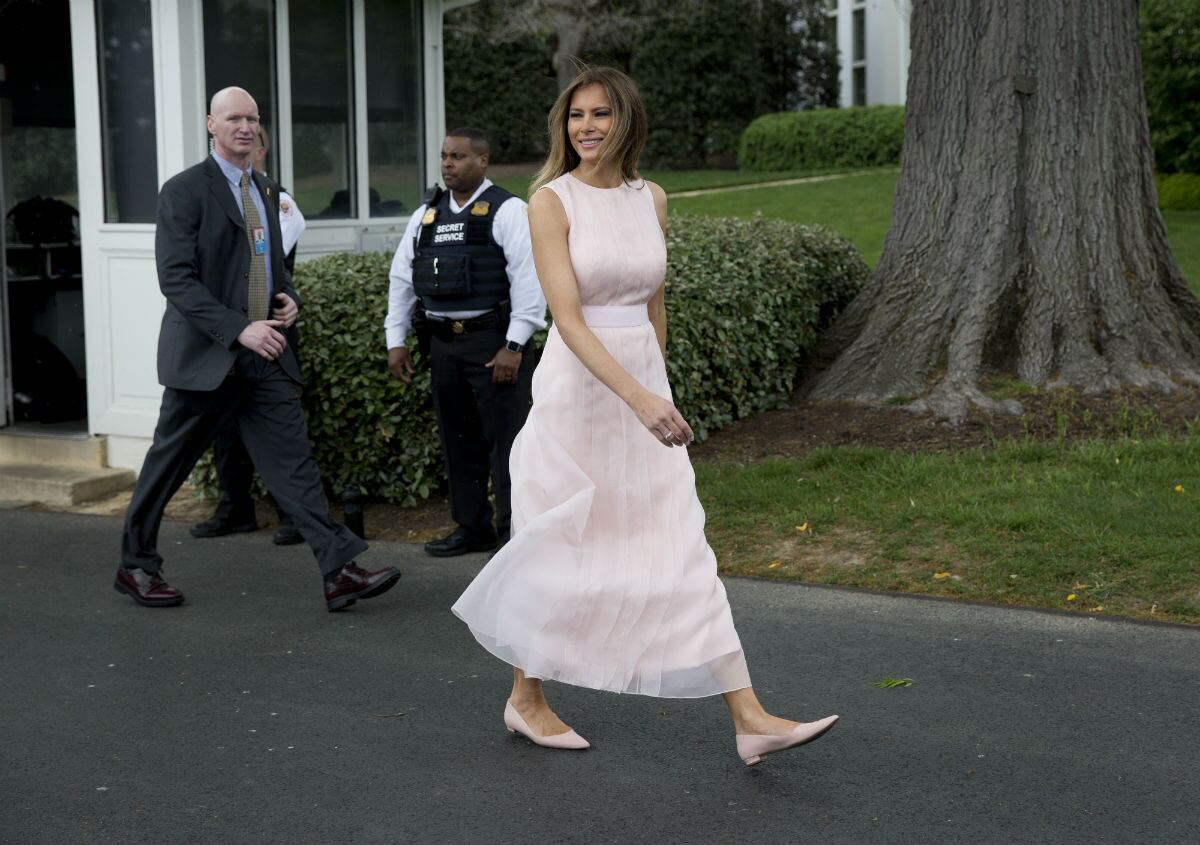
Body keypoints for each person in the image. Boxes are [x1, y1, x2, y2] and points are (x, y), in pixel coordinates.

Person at [451, 67, 839, 766]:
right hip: (579, 394)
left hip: (642, 394)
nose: (587, 127)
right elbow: (567, 320)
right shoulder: (550, 201)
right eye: (576, 116)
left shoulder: (651, 197)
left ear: (626, 120)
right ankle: (526, 698)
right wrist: (636, 395)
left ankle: (750, 717)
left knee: (679, 542)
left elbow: (653, 304)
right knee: (562, 542)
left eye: (601, 114)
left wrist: (655, 384)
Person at [113, 86, 400, 613]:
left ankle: (339, 570)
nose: (245, 127)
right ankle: (137, 566)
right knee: (167, 467)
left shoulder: (265, 189)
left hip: (264, 355)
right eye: (234, 119)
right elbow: (176, 280)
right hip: (207, 359)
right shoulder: (183, 191)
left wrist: (287, 298)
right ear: (211, 125)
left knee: (294, 466)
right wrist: (238, 328)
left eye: (252, 119)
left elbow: (268, 263)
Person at [385, 128, 546, 557]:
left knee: (509, 443)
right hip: (444, 345)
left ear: (483, 161)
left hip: (494, 343)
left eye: (458, 156)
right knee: (458, 440)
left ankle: (515, 533)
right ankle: (471, 527)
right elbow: (403, 275)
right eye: (444, 156)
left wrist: (514, 345)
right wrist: (394, 339)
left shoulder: (509, 211)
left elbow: (531, 280)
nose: (448, 164)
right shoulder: (427, 214)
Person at [190, 124, 306, 546]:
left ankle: (294, 516)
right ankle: (235, 507)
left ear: (263, 149)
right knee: (226, 430)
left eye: (252, 143)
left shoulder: (279, 201)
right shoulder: (212, 195)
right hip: (231, 334)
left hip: (268, 331)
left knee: (276, 434)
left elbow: (260, 260)